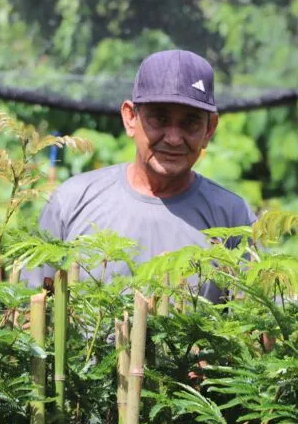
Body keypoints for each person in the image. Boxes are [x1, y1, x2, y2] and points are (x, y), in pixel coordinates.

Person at [23, 49, 257, 301]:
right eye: (159, 118)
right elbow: (31, 309)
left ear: (209, 129)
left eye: (190, 123)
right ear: (130, 118)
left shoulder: (233, 217)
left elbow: (258, 326)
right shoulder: (71, 201)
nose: (174, 139)